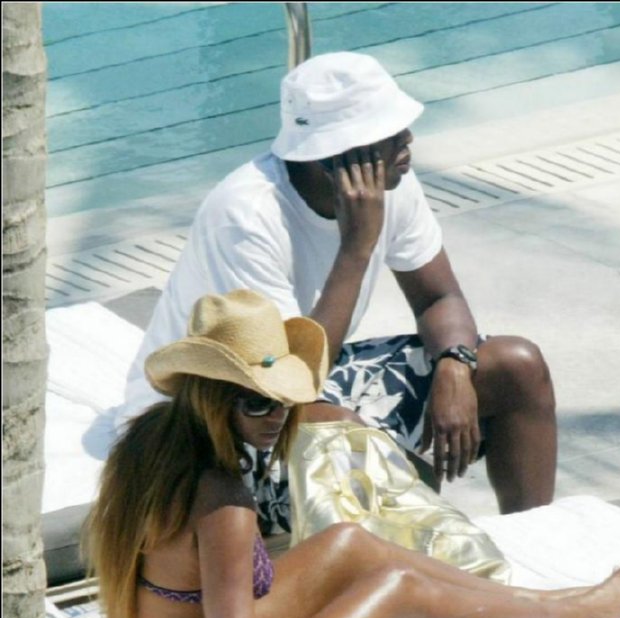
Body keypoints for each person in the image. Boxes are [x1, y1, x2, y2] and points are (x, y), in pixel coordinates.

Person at [91, 289, 620, 618]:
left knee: (349, 544)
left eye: (286, 401)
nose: (276, 418)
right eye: (257, 402)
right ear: (211, 398)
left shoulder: (149, 442)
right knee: (397, 591)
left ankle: (546, 604)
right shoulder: (223, 504)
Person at [118, 52, 557, 535]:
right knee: (369, 453)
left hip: (310, 374)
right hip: (220, 408)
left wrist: (456, 366)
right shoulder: (246, 215)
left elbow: (439, 299)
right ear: (334, 158)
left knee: (516, 367)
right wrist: (357, 247)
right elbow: (287, 378)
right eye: (389, 132)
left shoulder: (393, 182)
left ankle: (535, 543)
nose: (408, 140)